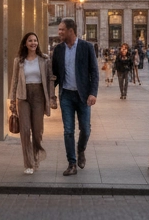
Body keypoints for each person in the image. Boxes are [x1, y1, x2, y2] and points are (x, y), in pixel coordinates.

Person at [51, 18, 99, 176]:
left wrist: (93, 93)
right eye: (59, 30)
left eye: (62, 30)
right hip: (66, 95)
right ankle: (72, 163)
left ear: (71, 31)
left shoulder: (86, 47)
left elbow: (94, 72)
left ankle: (81, 150)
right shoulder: (58, 50)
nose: (59, 33)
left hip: (83, 96)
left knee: (85, 128)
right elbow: (55, 75)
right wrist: (51, 95)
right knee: (68, 130)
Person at [9, 32, 55, 174]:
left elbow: (49, 79)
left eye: (35, 40)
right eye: (30, 41)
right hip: (23, 96)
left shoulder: (44, 60)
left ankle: (35, 158)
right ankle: (28, 163)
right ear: (25, 43)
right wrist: (12, 100)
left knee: (37, 130)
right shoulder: (19, 60)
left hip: (39, 96)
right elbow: (15, 80)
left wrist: (52, 97)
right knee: (25, 130)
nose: (33, 43)